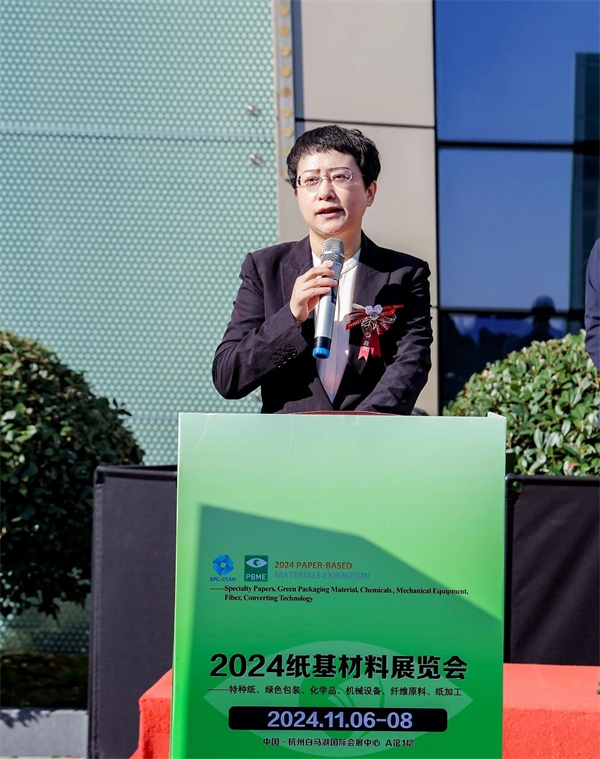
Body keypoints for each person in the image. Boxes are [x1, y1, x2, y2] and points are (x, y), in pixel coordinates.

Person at [212, 125, 433, 414]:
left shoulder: (405, 275)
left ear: (369, 192)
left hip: (368, 437)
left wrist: (356, 428)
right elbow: (228, 377)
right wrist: (291, 316)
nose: (325, 192)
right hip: (289, 439)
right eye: (311, 180)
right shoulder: (265, 269)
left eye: (340, 176)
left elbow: (410, 365)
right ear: (297, 195)